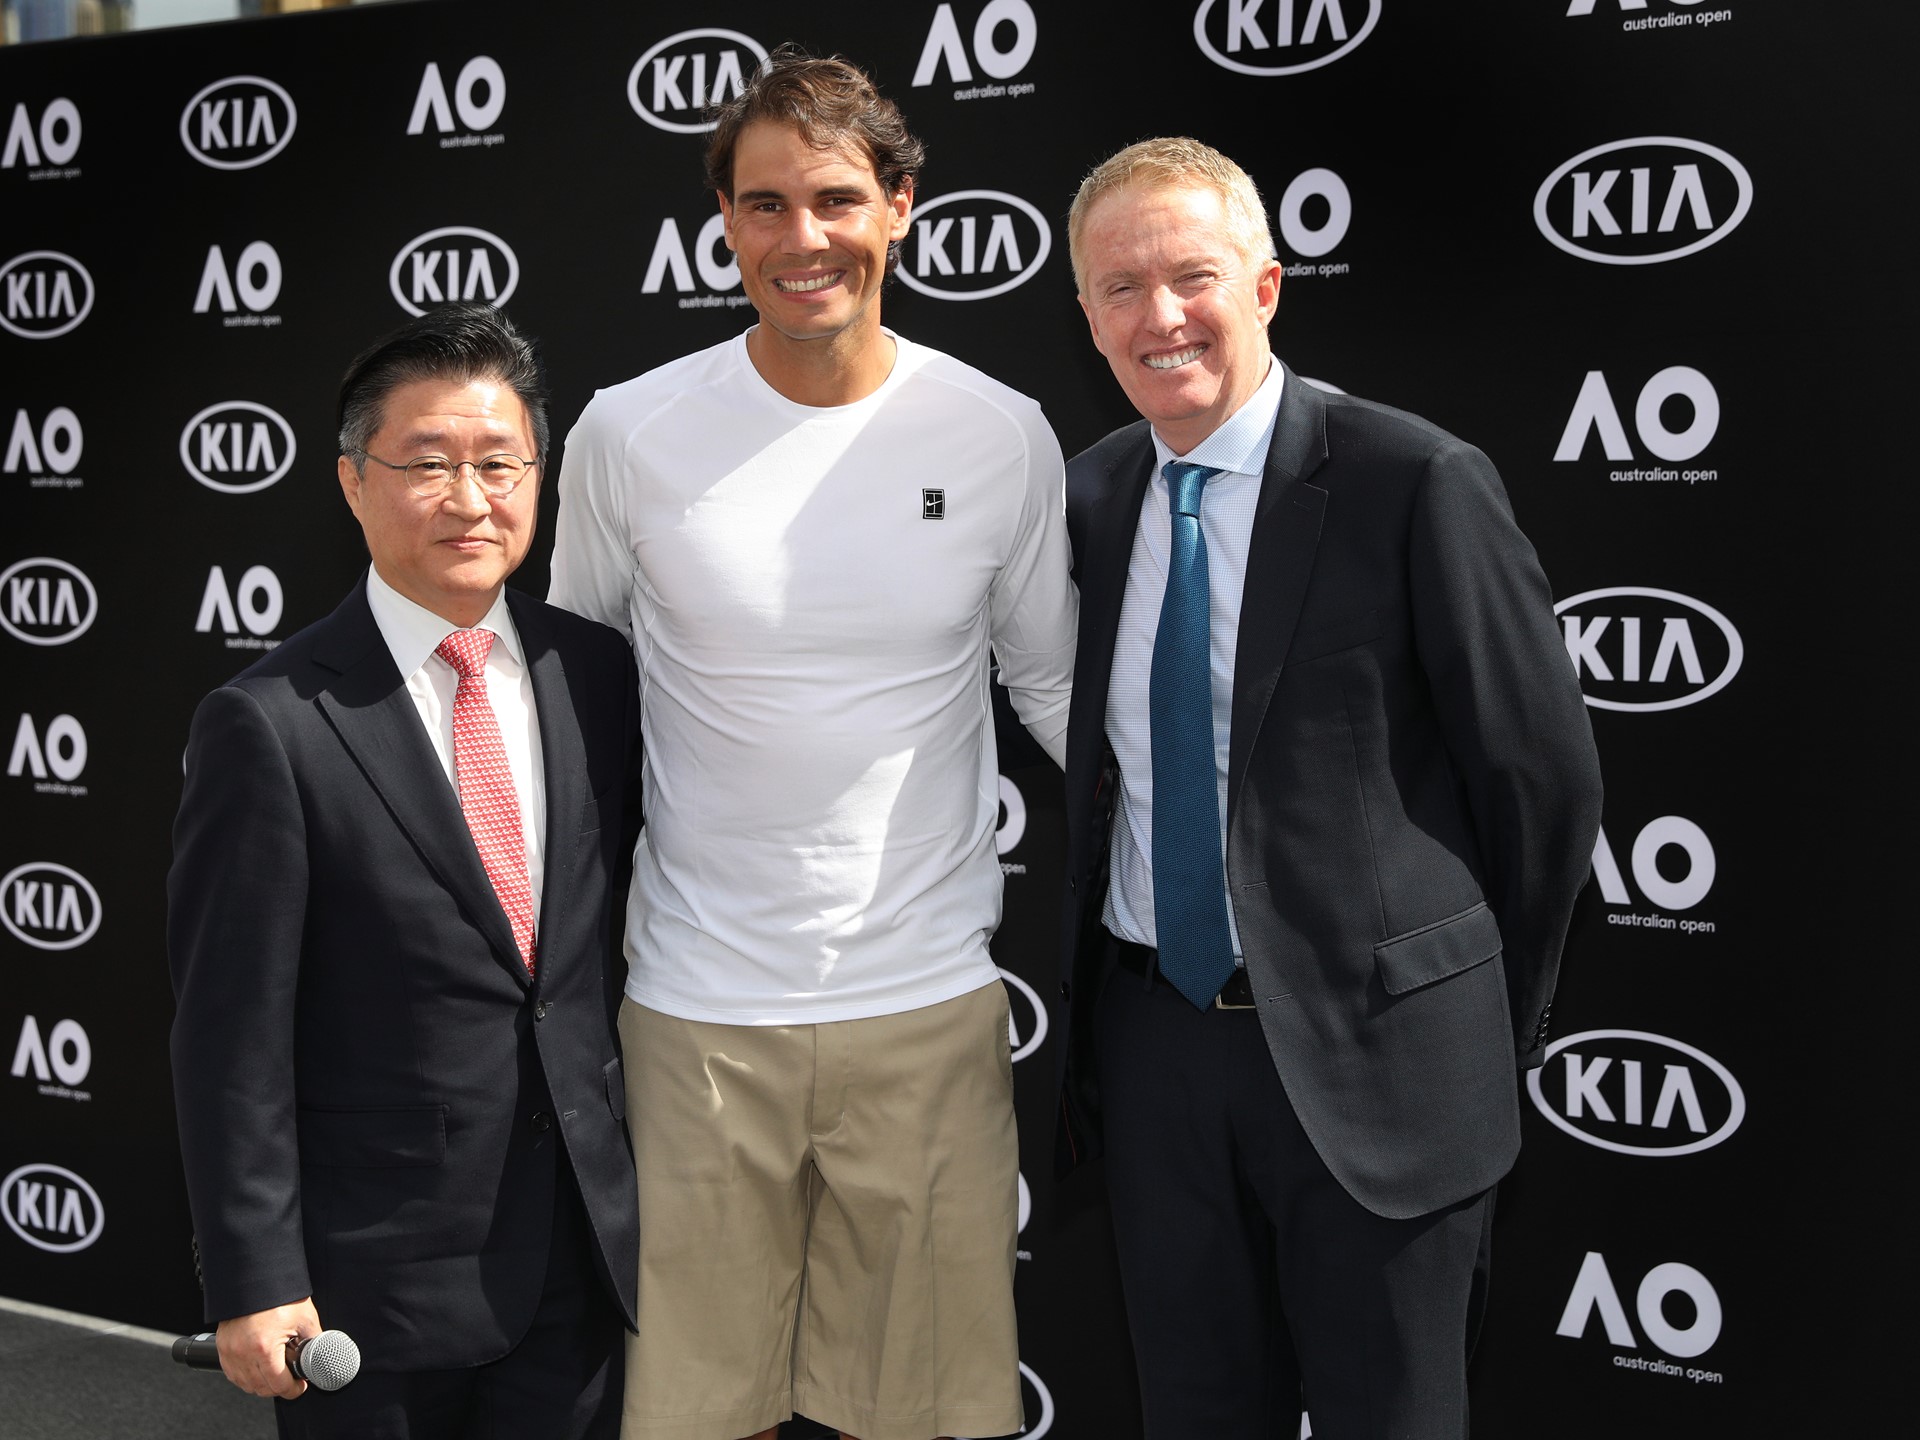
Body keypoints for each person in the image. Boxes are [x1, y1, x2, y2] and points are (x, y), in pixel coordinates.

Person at [547, 49, 1074, 1440]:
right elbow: (576, 705)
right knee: (693, 1416)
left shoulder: (1001, 434)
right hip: (694, 1016)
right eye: (764, 205)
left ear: (900, 205)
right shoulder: (628, 434)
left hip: (924, 1012)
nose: (803, 239)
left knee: (913, 1419)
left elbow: (1061, 696)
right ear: (722, 219)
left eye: (836, 198)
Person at [1053, 137, 1604, 1438]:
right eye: (1119, 288)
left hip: (1383, 1064)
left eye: (1192, 276)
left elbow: (1542, 786)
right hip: (1155, 1057)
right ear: (1083, 313)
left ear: (1268, 286)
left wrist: (1456, 1021)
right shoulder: (1080, 501)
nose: (1160, 316)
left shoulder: (1412, 480)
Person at [167, 303, 642, 1440]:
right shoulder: (269, 722)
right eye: (427, 464)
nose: (470, 499)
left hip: (576, 1261)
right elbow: (229, 1032)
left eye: (499, 462)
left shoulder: (600, 674)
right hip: (366, 1294)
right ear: (351, 482)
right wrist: (253, 1275)